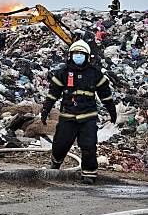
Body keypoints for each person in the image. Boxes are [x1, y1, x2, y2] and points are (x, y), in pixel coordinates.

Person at [40, 39, 116, 185]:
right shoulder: (63, 72)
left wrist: (112, 111)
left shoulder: (95, 73)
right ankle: (55, 163)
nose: (78, 56)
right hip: (68, 115)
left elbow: (105, 94)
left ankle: (89, 174)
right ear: (70, 55)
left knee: (88, 146)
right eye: (76, 53)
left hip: (88, 116)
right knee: (60, 144)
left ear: (87, 56)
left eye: (81, 54)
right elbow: (52, 94)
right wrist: (45, 110)